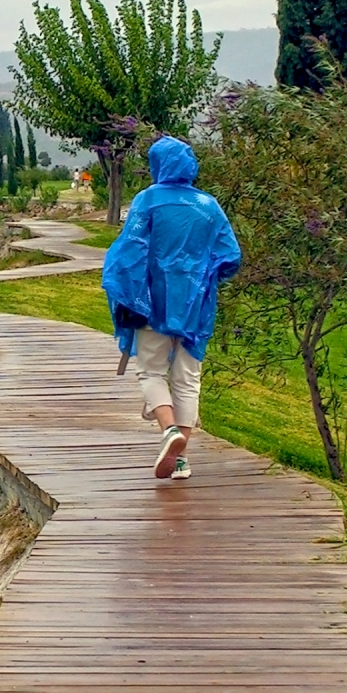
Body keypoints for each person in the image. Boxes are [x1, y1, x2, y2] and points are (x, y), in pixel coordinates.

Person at [101, 136, 240, 480]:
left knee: (151, 371)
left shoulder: (147, 201)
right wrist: (202, 275)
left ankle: (169, 432)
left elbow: (129, 251)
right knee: (188, 380)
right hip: (196, 306)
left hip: (154, 303)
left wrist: (125, 293)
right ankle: (180, 458)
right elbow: (230, 256)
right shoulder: (209, 206)